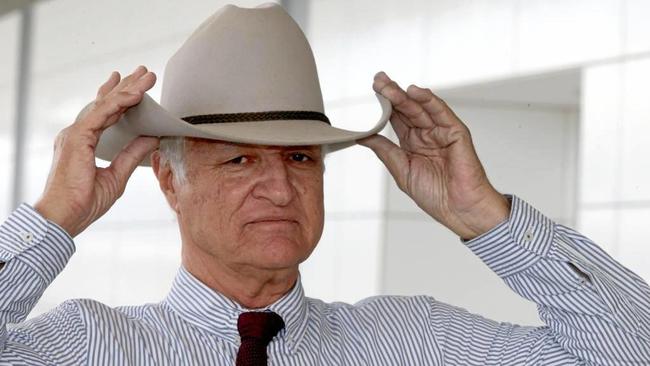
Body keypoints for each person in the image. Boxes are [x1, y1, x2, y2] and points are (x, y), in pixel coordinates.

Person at [1, 3, 649, 366]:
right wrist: (53, 219)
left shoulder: (410, 341)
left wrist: (489, 220)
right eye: (239, 162)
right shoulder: (88, 347)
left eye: (302, 159)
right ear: (169, 180)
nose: (282, 189)